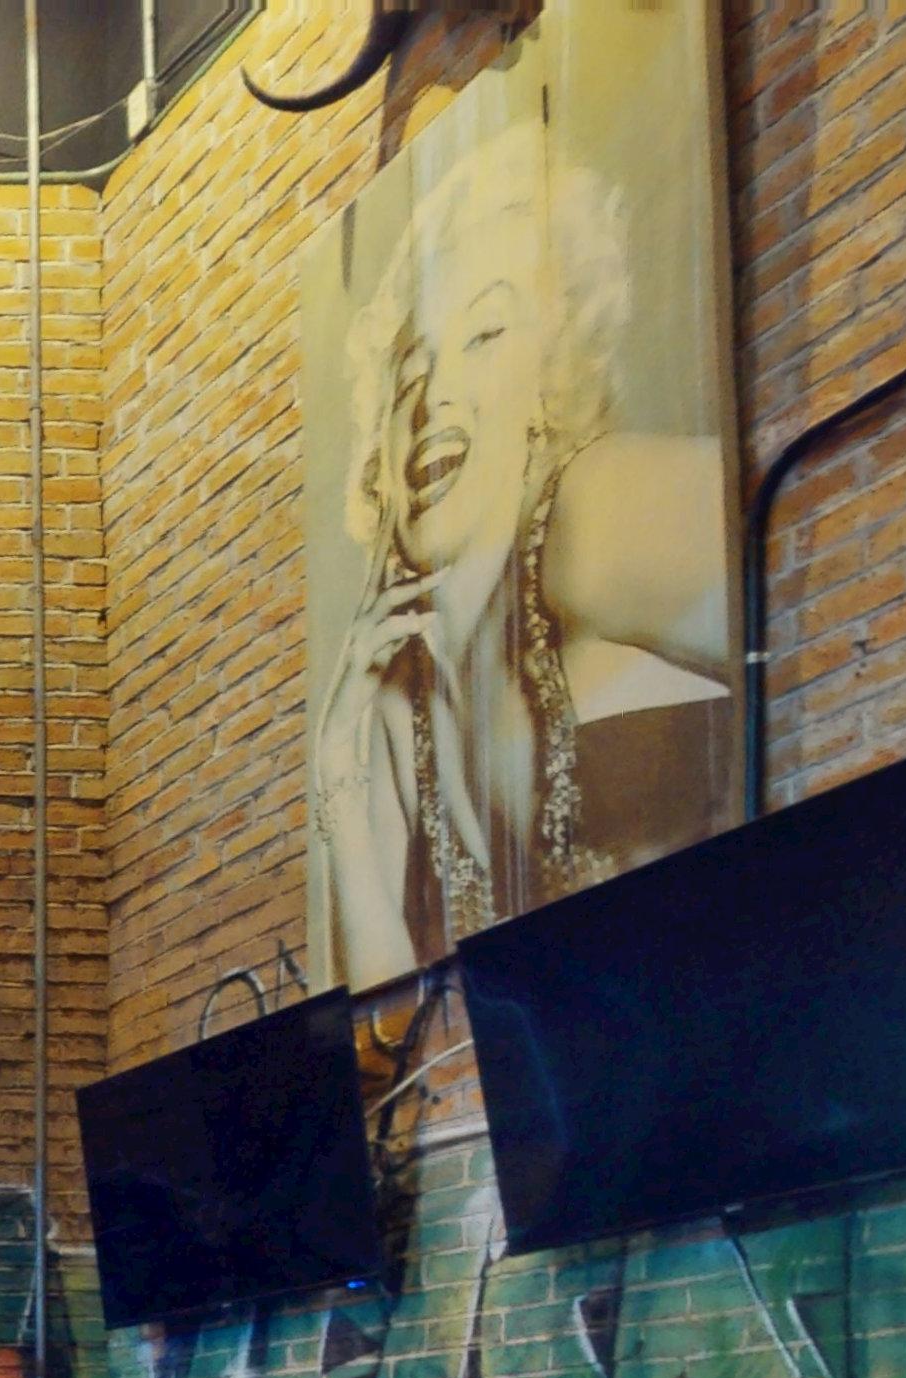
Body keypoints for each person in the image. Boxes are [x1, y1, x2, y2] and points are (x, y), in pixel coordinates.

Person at [312, 133, 734, 981]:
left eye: (485, 334)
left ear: (550, 378)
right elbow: (382, 1025)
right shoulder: (401, 705)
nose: (433, 395)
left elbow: (830, 588)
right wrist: (336, 777)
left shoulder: (592, 519)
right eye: (410, 373)